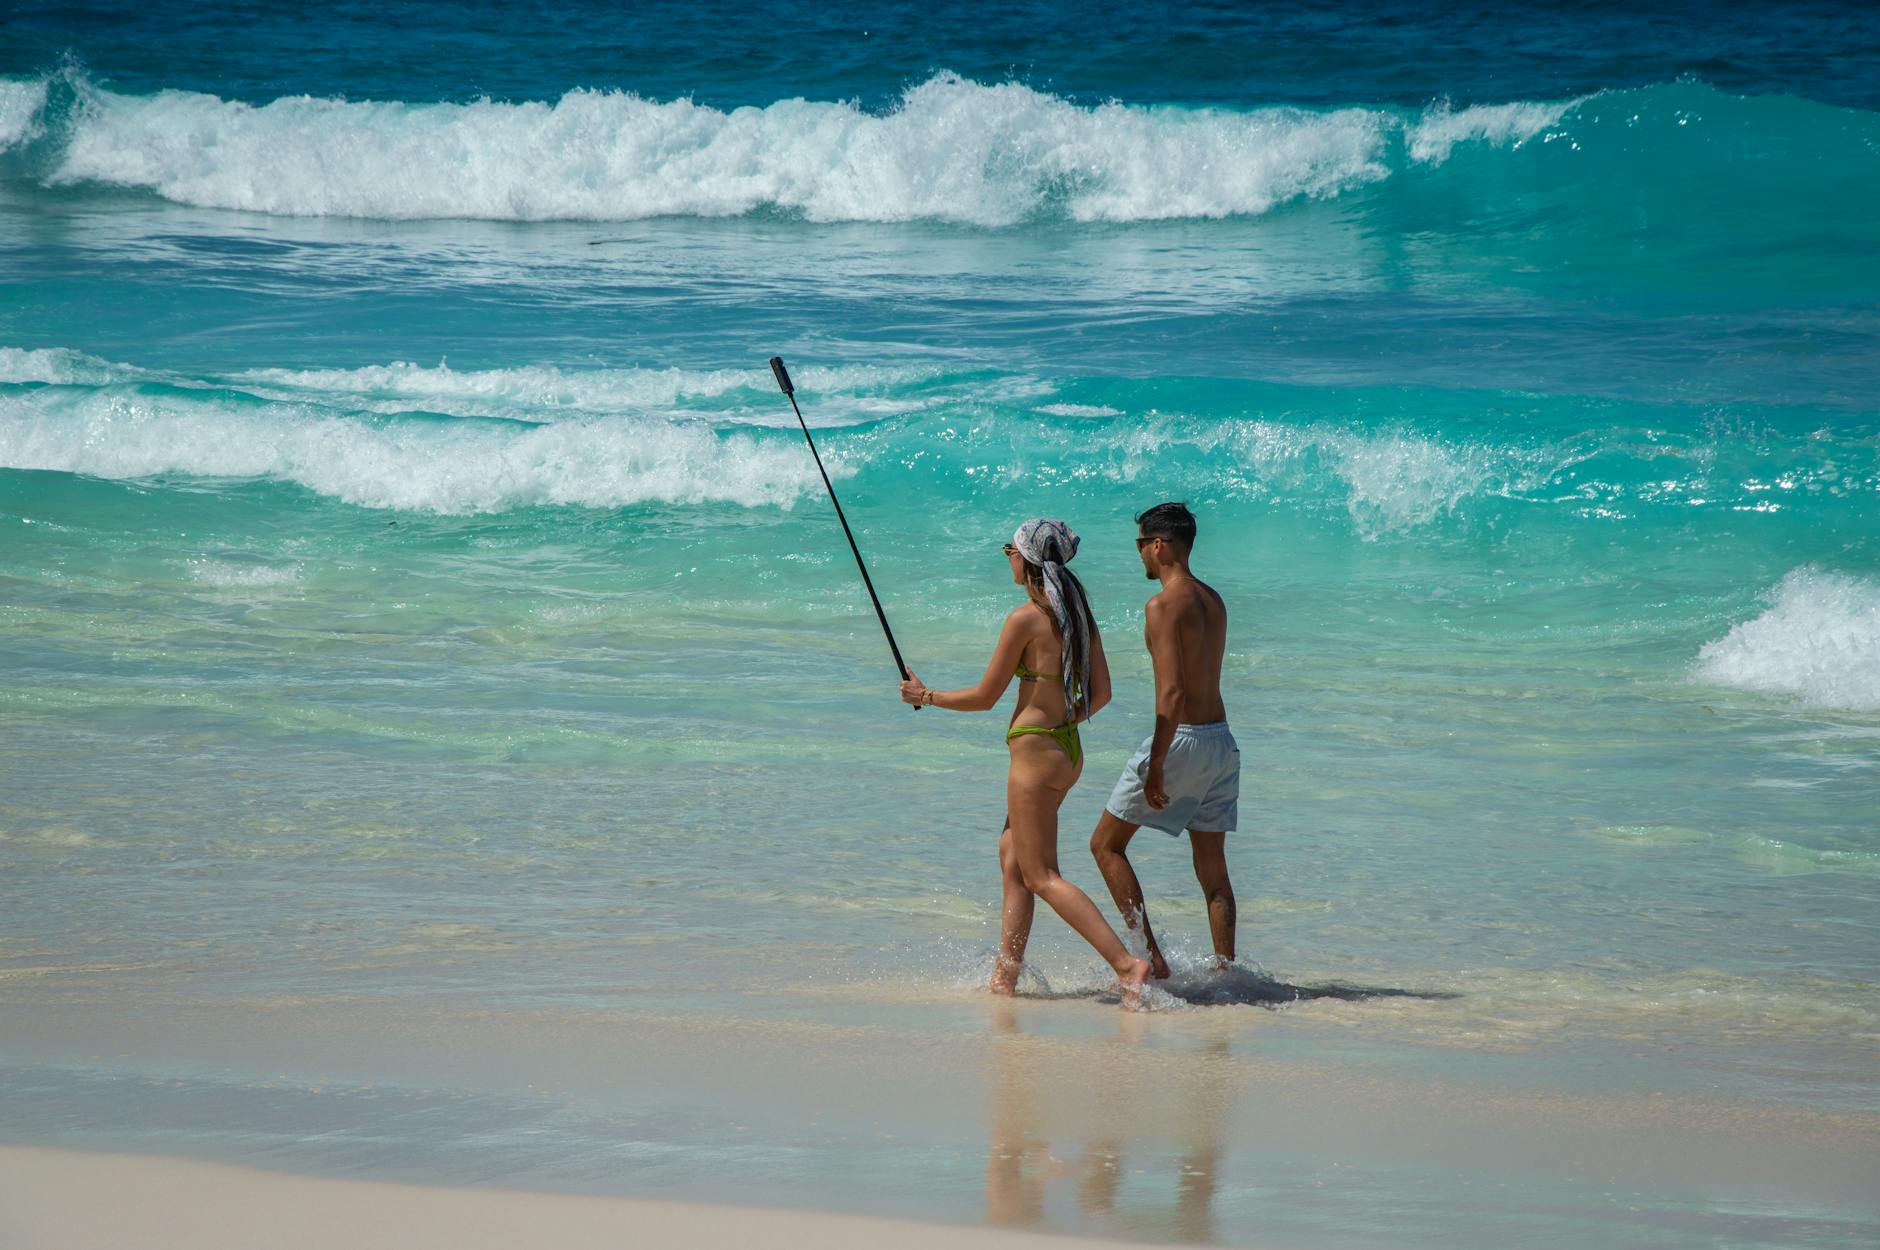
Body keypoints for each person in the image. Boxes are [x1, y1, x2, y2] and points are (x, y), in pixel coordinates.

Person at [900, 519, 1152, 1006]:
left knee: (1042, 876)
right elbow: (1102, 695)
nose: (1008, 559)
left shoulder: (1025, 619)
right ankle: (1005, 978)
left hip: (1034, 755)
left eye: (1009, 551)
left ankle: (1127, 965)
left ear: (1027, 560)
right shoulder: (1078, 614)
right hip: (1065, 750)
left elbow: (985, 697)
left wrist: (925, 695)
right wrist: (1060, 722)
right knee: (1013, 860)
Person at [1089, 502, 1238, 980]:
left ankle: (1151, 960)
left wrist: (1155, 764)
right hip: (1221, 741)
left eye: (1139, 546)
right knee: (1213, 870)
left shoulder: (1161, 605)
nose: (1139, 557)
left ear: (1158, 545)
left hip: (1183, 740)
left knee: (1105, 846)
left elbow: (1172, 692)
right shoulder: (1214, 600)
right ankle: (1226, 974)